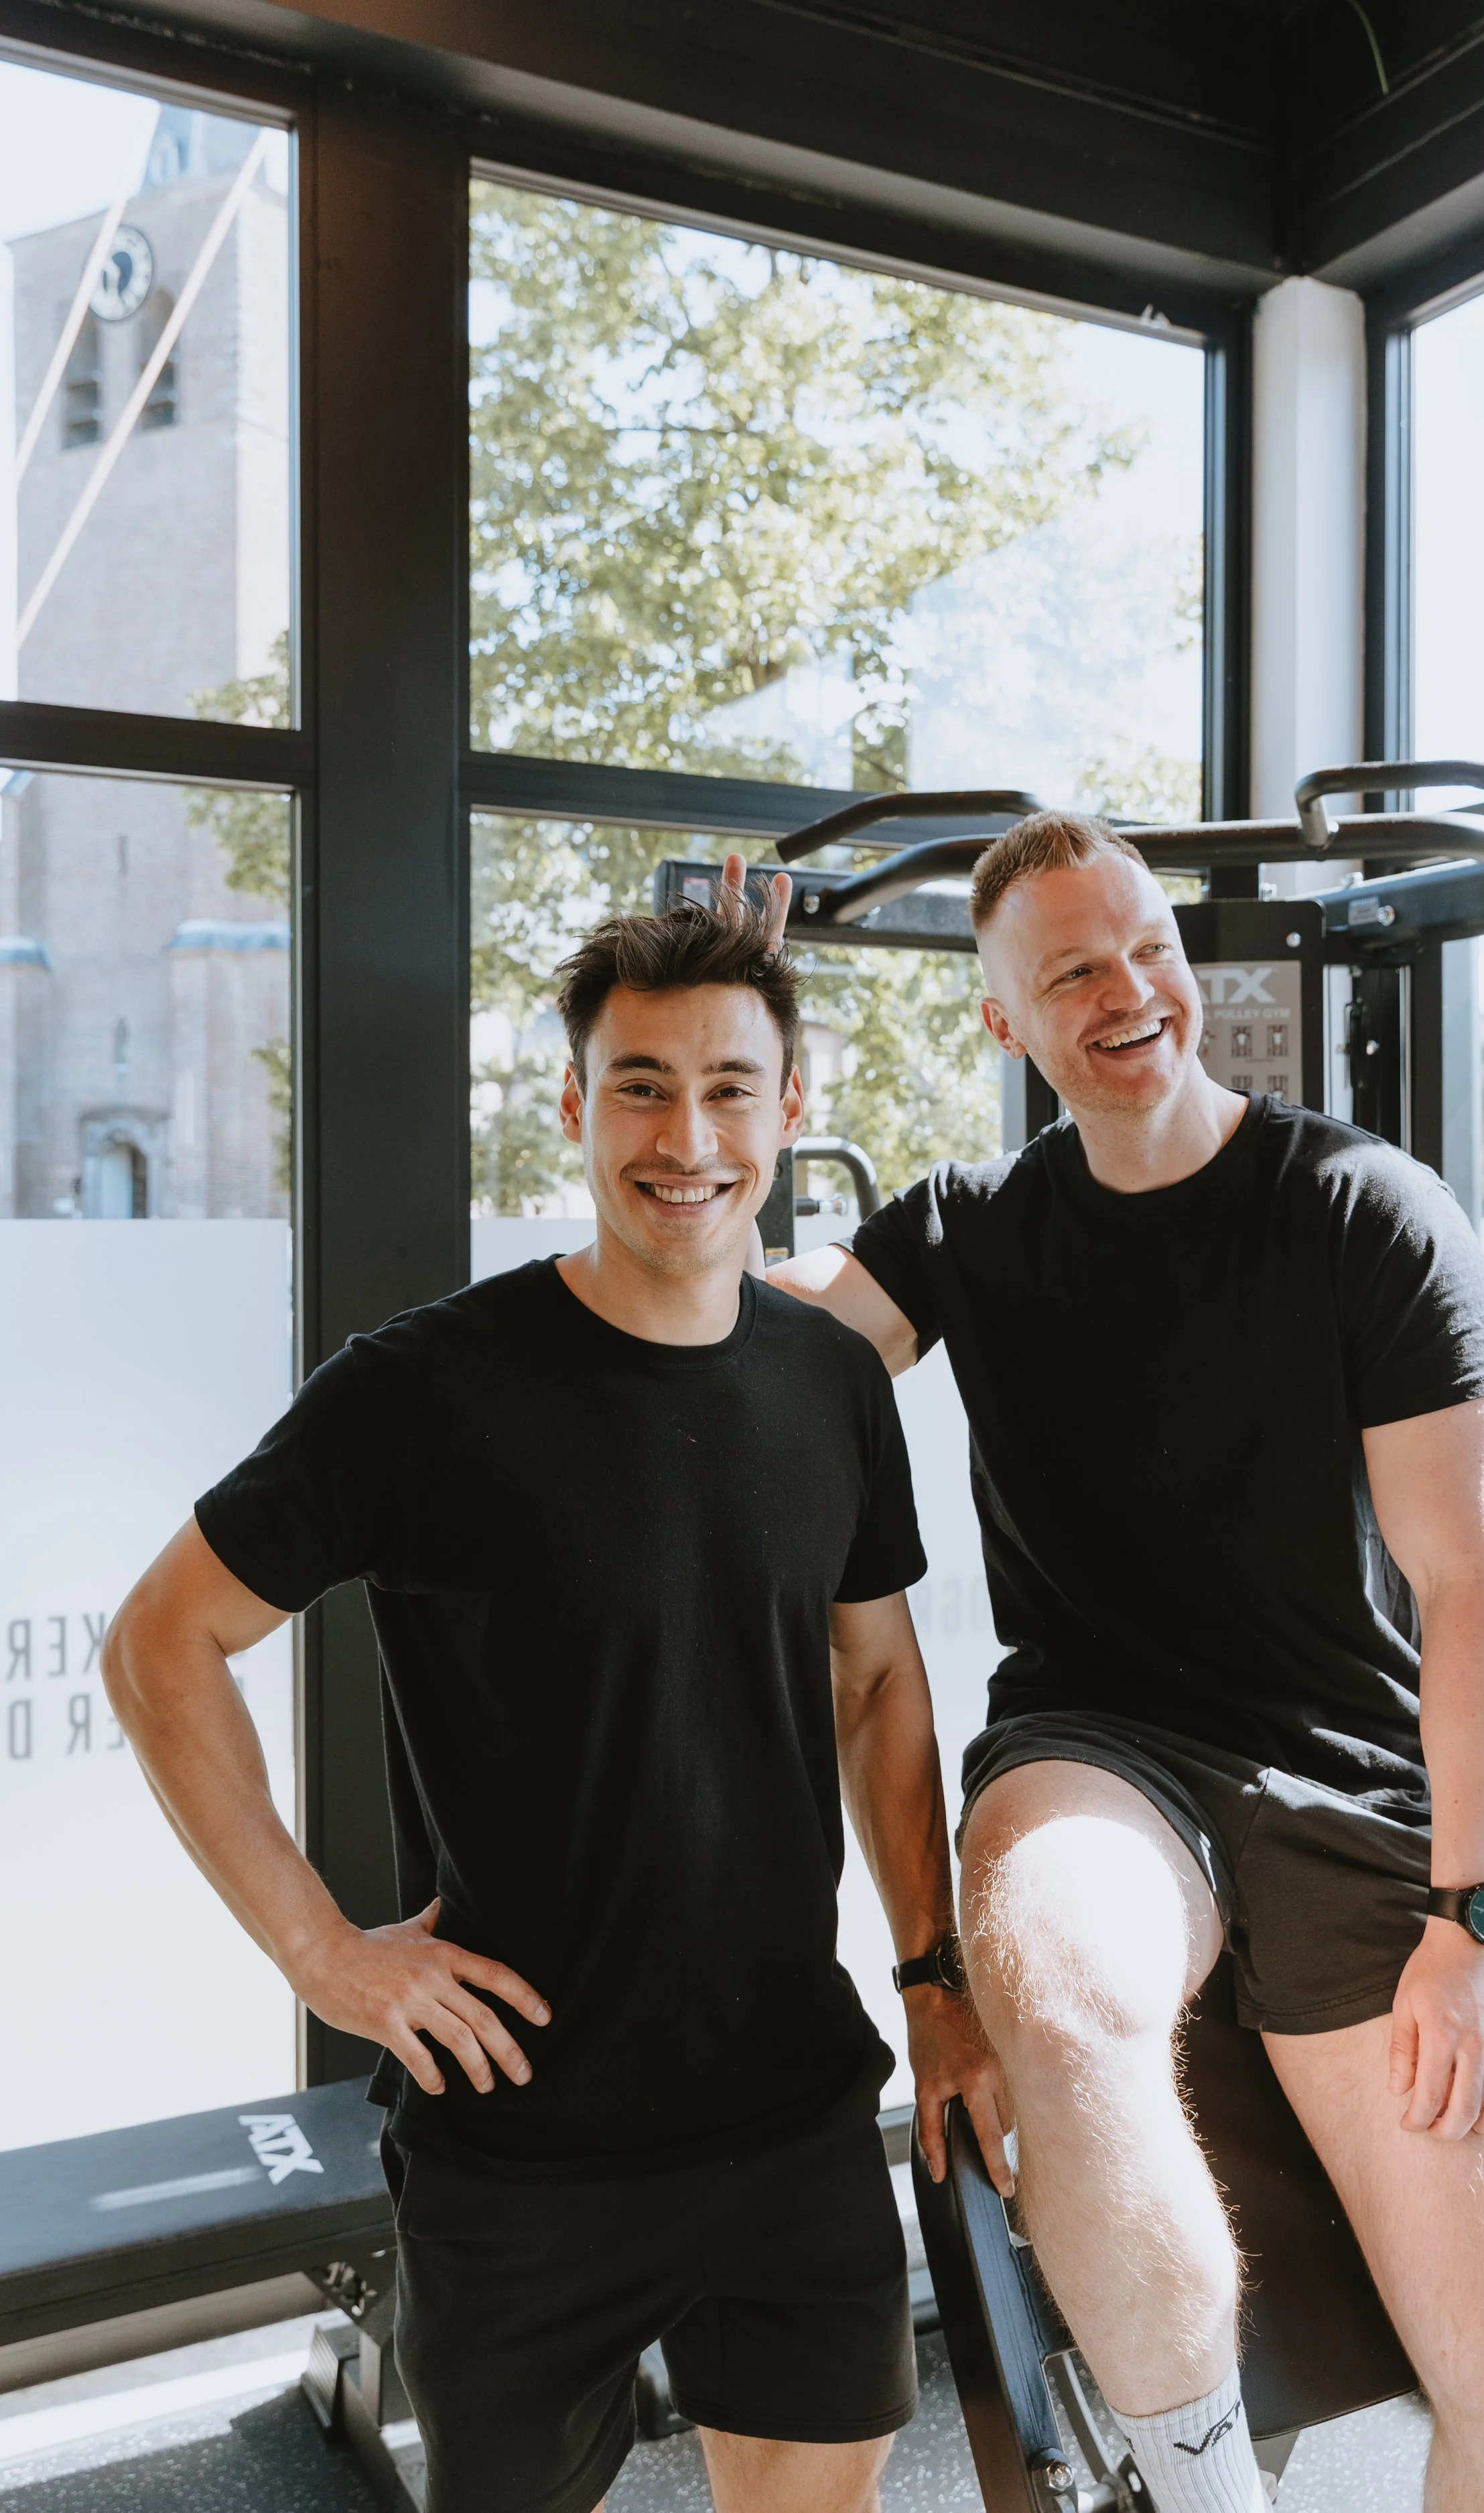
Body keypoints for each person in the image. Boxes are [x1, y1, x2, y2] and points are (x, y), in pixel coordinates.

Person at [103, 891, 1002, 2513]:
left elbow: (875, 1680)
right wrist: (324, 1954)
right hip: (519, 2133)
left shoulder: (831, 1386)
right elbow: (161, 1643)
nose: (686, 1134)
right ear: (574, 1104)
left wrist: (931, 1975)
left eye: (730, 1086)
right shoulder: (424, 1390)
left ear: (791, 1112)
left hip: (791, 2106)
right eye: (639, 1084)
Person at [754, 814, 1484, 2513]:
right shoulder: (969, 1227)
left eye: (1142, 947)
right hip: (1098, 1755)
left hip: (1351, 1784)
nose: (1126, 989)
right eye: (1070, 969)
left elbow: (1469, 1596)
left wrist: (1472, 1918)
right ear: (1003, 1023)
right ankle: (1206, 2493)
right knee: (1055, 1982)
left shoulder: (1365, 1213)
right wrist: (716, 1092)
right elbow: (748, 1360)